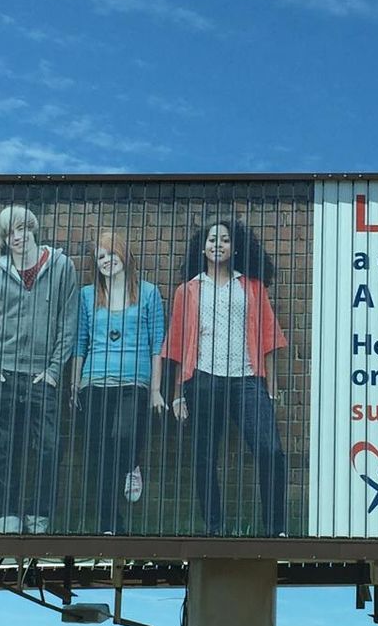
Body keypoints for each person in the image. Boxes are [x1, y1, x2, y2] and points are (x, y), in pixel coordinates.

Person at [162, 219, 288, 537]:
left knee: (270, 450)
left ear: (234, 248)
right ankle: (214, 527)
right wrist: (177, 393)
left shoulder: (252, 287)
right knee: (204, 455)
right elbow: (178, 343)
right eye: (212, 239)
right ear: (202, 247)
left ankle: (276, 529)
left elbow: (268, 336)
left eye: (225, 240)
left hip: (246, 378)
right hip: (202, 377)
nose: (218, 244)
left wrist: (271, 386)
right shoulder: (188, 290)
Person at [0, 205, 79, 534]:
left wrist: (53, 370)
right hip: (2, 371)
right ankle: (6, 512)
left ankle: (40, 512)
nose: (16, 237)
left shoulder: (62, 267)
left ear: (32, 227)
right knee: (4, 448)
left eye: (21, 229)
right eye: (8, 233)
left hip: (41, 374)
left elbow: (68, 323)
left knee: (49, 446)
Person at [70, 231, 167, 534]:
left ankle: (132, 465)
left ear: (125, 255)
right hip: (95, 380)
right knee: (100, 452)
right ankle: (109, 524)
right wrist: (74, 384)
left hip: (134, 381)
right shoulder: (87, 296)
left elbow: (157, 345)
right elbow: (79, 343)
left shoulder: (148, 293)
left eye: (111, 253)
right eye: (100, 257)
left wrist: (155, 390)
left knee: (123, 437)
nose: (107, 260)